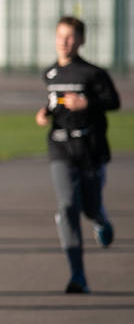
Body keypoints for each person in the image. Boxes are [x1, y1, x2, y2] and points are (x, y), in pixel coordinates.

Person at [35, 16, 120, 293]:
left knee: (89, 206)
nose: (64, 42)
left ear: (81, 41)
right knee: (67, 205)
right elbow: (53, 104)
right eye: (60, 36)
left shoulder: (93, 74)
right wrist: (44, 114)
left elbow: (113, 102)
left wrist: (87, 103)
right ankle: (78, 276)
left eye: (70, 37)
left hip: (89, 148)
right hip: (60, 146)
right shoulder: (50, 74)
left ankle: (100, 220)